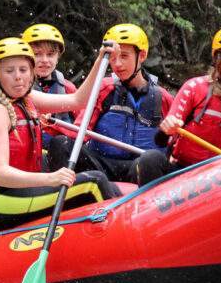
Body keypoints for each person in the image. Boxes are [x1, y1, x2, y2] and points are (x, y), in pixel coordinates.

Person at [0, 37, 121, 231]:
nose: (18, 77)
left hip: (17, 191)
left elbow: (78, 100)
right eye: (9, 71)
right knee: (93, 182)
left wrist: (101, 59)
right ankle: (123, 240)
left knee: (111, 187)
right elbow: (0, 175)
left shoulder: (26, 98)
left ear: (32, 73)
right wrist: (51, 178)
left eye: (23, 70)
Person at [47, 23, 173, 186]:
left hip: (140, 167)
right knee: (61, 144)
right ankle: (66, 199)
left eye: (124, 56)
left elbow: (175, 143)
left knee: (151, 158)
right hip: (103, 164)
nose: (118, 64)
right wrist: (51, 126)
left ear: (141, 56)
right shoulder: (104, 87)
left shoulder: (162, 97)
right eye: (112, 58)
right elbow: (80, 131)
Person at [140, 25, 221, 180]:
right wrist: (166, 129)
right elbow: (160, 140)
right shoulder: (195, 88)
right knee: (150, 159)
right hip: (184, 172)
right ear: (218, 61)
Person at [21, 23, 78, 147]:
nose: (45, 60)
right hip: (26, 155)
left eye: (51, 54)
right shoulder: (14, 89)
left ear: (58, 58)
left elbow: (83, 126)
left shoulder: (68, 88)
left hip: (57, 155)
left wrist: (55, 127)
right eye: (37, 54)